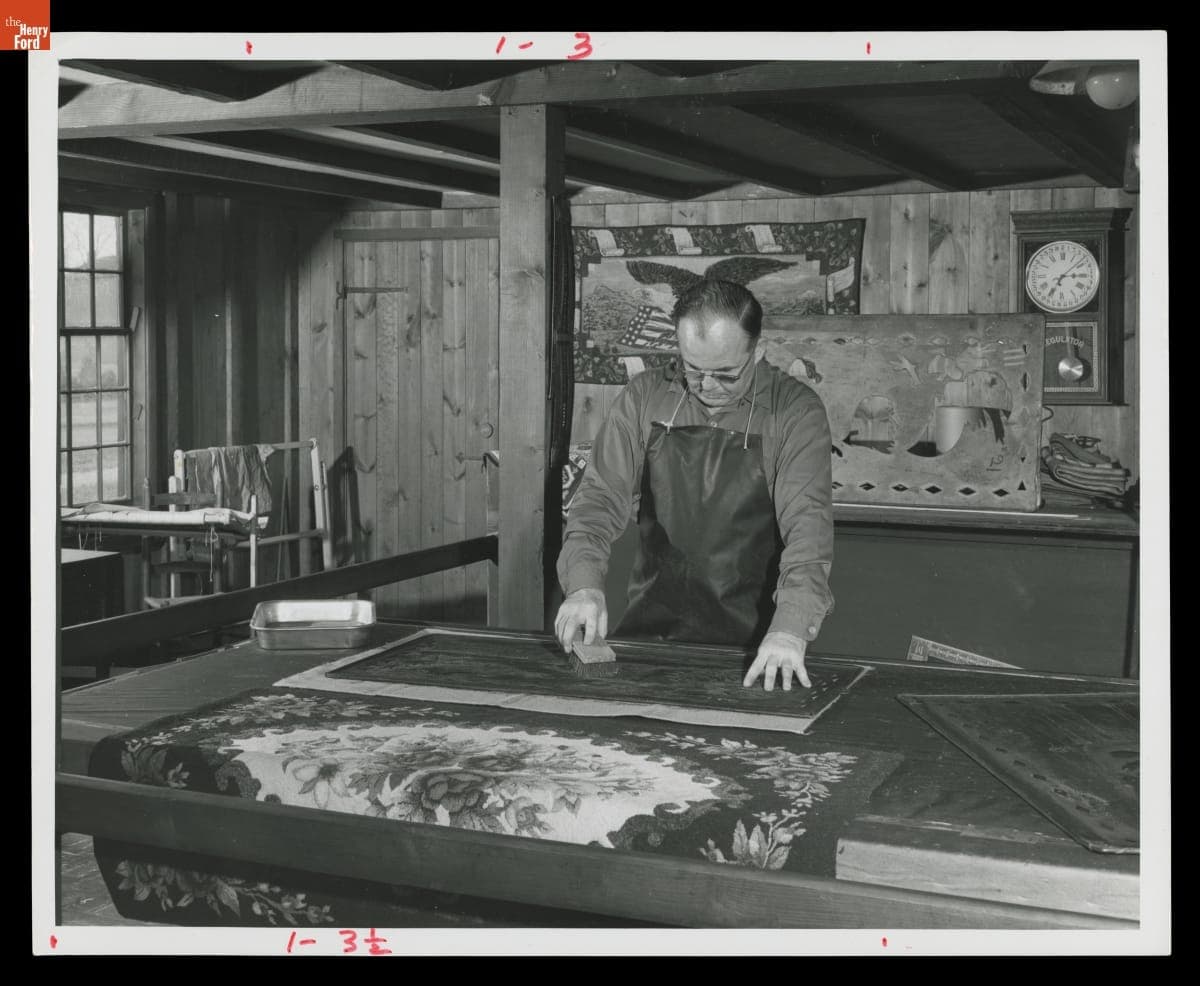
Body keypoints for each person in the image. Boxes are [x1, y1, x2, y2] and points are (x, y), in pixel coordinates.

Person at [554, 278, 834, 691]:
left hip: (761, 649)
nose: (707, 387)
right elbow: (597, 501)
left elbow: (808, 531)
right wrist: (583, 586)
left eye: (725, 374)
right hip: (651, 635)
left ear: (758, 351)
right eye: (693, 370)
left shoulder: (794, 412)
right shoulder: (644, 396)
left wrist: (790, 629)